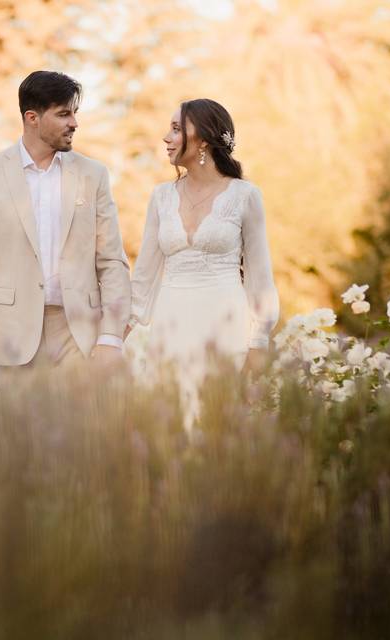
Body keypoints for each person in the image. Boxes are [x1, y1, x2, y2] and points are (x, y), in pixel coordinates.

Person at [0, 71, 131, 393]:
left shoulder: (93, 175)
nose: (74, 123)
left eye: (74, 113)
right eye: (64, 113)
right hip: (10, 335)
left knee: (82, 438)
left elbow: (112, 261)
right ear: (32, 118)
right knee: (17, 439)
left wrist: (110, 337)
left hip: (79, 336)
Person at [126, 99, 279, 424]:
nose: (166, 137)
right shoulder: (161, 197)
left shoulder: (245, 196)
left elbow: (260, 278)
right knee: (169, 430)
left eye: (177, 129)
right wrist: (112, 337)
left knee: (218, 429)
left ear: (204, 139)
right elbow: (143, 279)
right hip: (170, 330)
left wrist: (258, 343)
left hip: (225, 330)